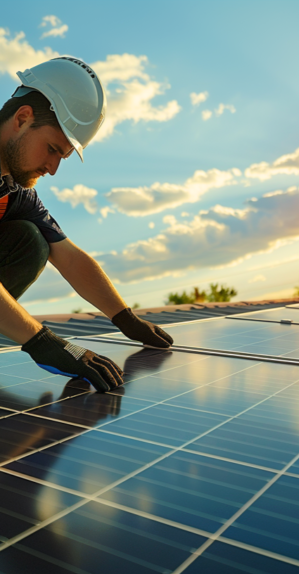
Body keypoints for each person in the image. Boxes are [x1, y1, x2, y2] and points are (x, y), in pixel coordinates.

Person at [0, 57, 172, 393]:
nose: (52, 168)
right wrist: (42, 341)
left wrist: (125, 319)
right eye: (52, 149)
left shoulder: (12, 189)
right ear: (22, 118)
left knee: (32, 240)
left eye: (61, 157)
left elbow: (69, 256)